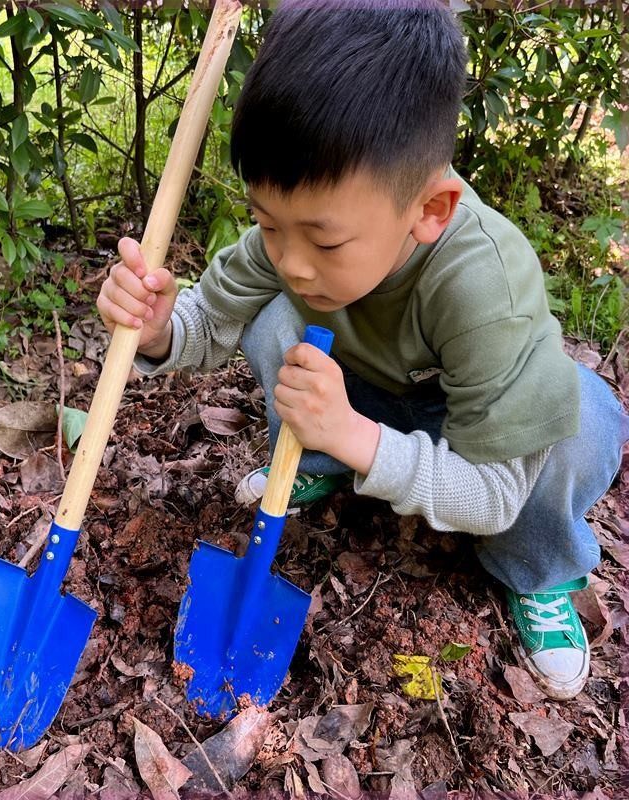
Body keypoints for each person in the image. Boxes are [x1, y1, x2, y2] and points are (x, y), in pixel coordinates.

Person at [96, 0, 628, 700]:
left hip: (483, 439)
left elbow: (496, 492)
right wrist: (160, 326)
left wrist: (355, 433)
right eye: (265, 221)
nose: (290, 259)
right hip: (368, 397)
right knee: (269, 314)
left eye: (323, 240)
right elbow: (211, 319)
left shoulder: (484, 284)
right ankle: (320, 458)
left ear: (429, 210)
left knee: (576, 427)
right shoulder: (293, 236)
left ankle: (539, 568)